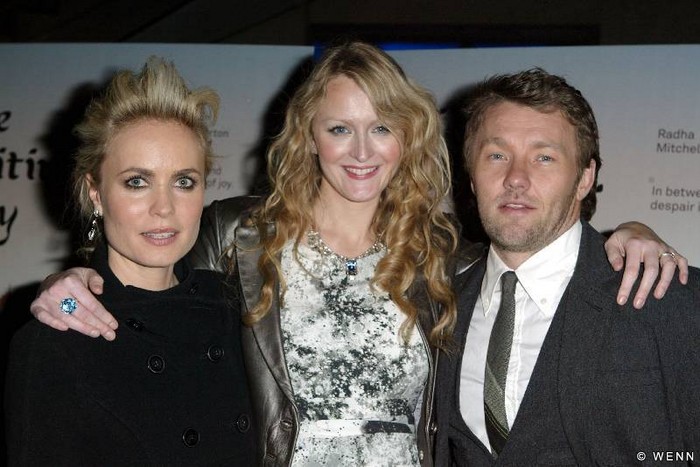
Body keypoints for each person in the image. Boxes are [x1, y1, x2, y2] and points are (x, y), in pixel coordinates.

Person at [27, 44, 688, 466]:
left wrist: (627, 231)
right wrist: (75, 272)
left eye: (382, 129)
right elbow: (146, 274)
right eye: (340, 129)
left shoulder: (443, 251)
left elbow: (545, 245)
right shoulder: (240, 233)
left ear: (408, 137)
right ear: (309, 136)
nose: (362, 151)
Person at [433, 68, 699, 466]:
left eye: (543, 157)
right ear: (471, 176)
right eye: (497, 155)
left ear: (584, 178)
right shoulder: (438, 305)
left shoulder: (667, 295)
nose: (516, 179)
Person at [4, 58, 256, 466]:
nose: (164, 208)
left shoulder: (237, 315)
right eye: (136, 182)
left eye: (183, 182)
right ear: (96, 194)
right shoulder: (56, 341)